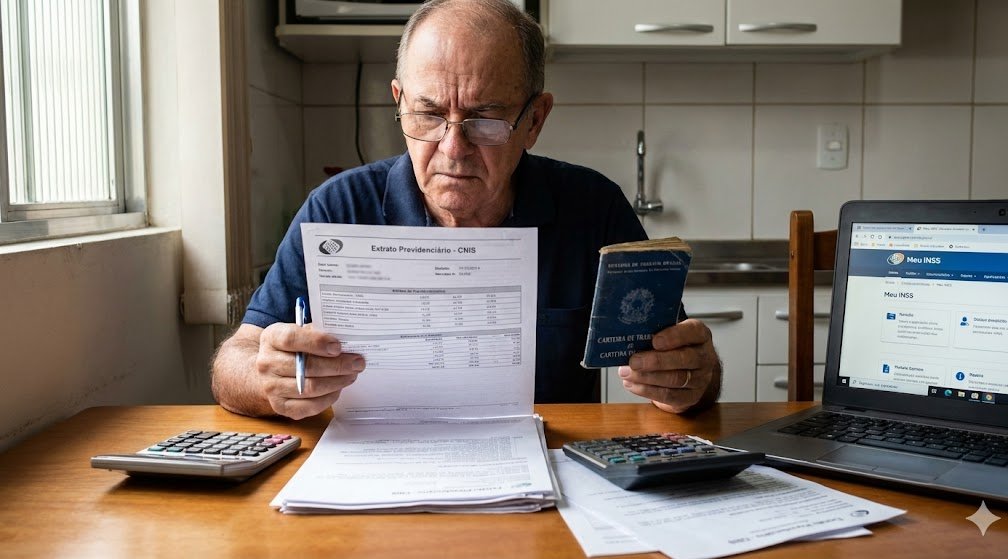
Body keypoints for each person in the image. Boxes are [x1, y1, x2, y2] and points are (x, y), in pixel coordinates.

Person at [211, 0, 722, 420]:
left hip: (548, 471)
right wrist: (265, 378)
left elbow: (686, 367)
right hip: (373, 472)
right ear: (400, 101)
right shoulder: (338, 209)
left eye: (484, 119)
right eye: (429, 114)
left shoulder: (593, 209)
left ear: (535, 119)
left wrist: (689, 377)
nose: (453, 148)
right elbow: (232, 363)